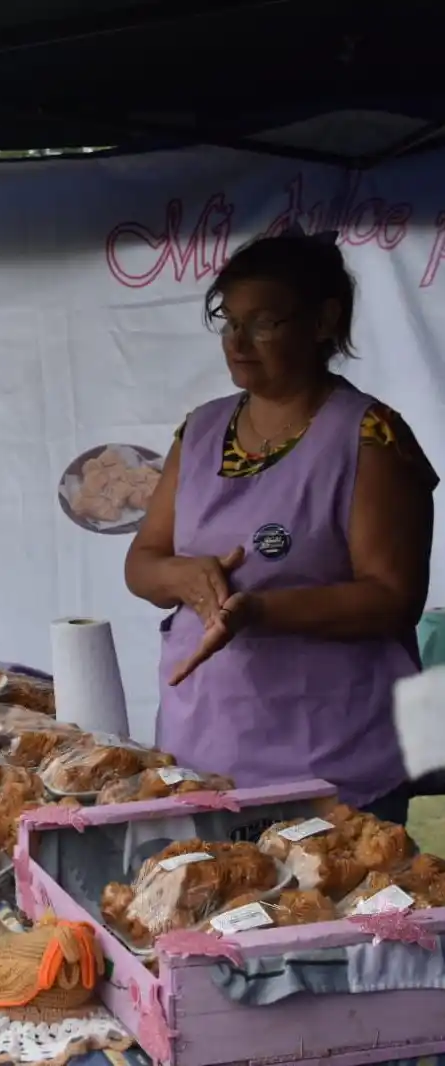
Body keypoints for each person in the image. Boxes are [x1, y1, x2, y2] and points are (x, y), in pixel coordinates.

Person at [125, 227, 436, 824]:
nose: (238, 342)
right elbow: (143, 561)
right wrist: (183, 577)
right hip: (204, 746)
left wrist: (260, 610)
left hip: (336, 761)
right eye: (228, 321)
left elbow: (392, 597)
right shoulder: (201, 430)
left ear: (323, 322)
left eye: (264, 323)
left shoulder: (369, 434)